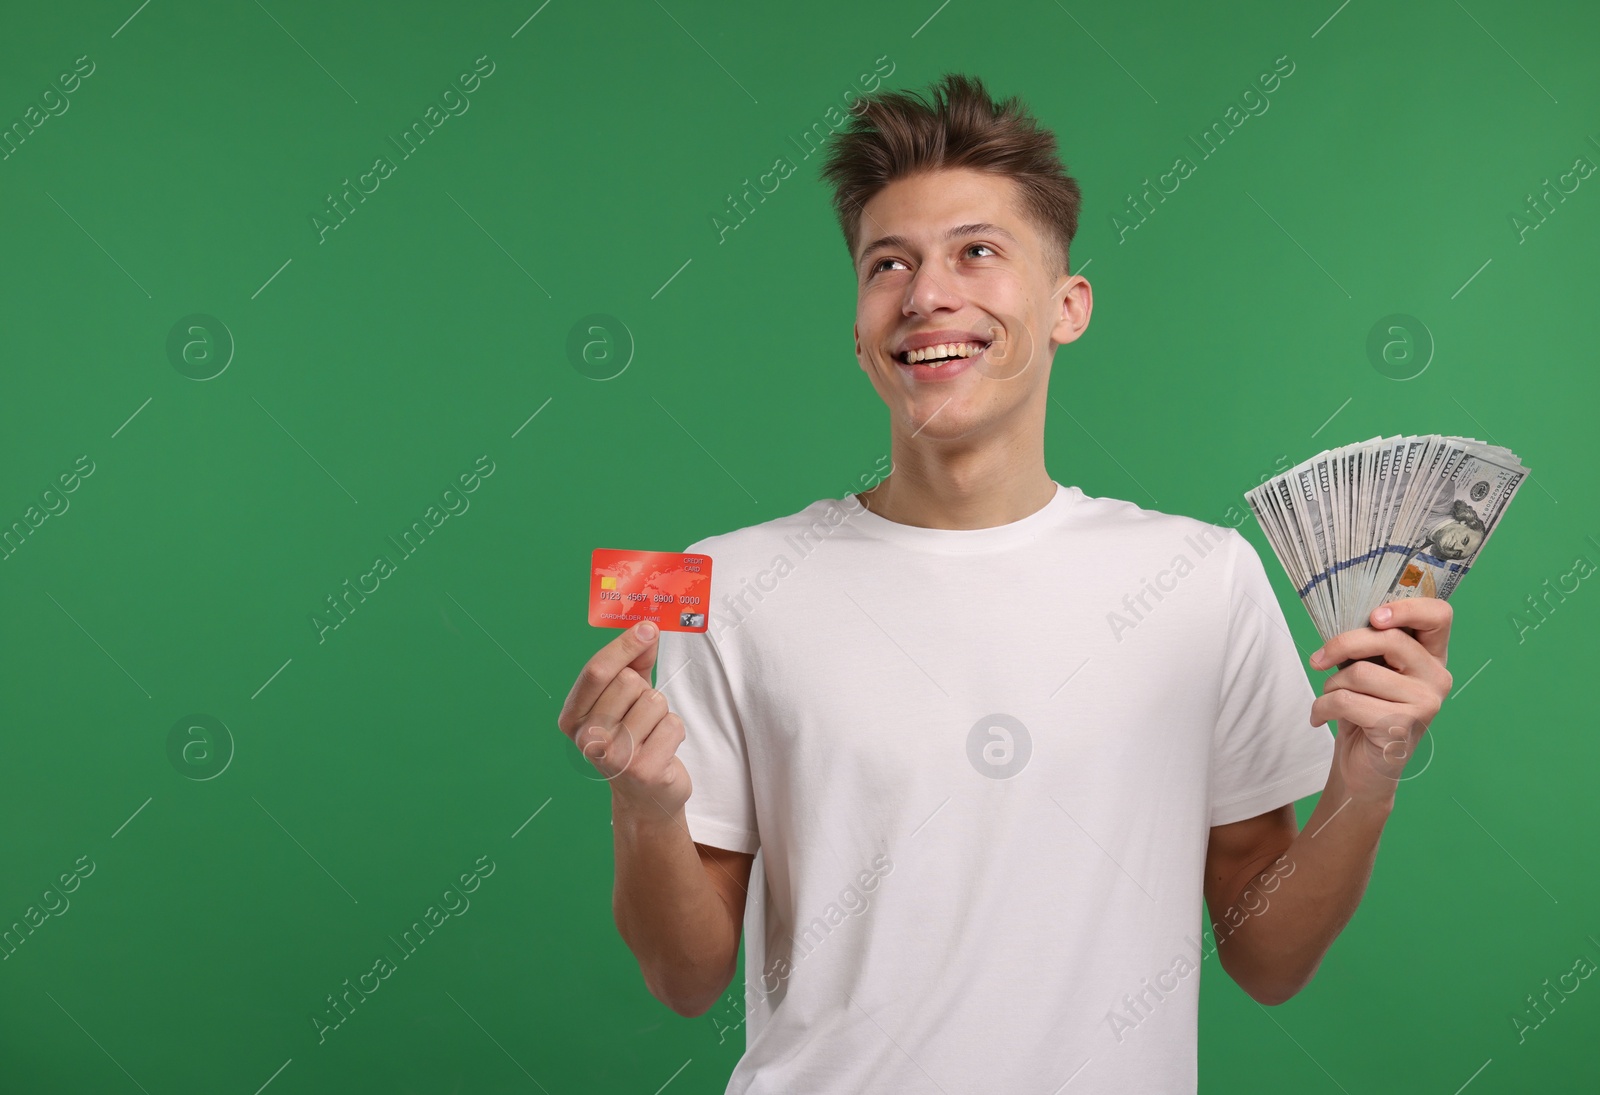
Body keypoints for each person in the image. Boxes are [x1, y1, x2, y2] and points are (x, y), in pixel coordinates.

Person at [556, 73, 1455, 1094]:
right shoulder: (733, 583)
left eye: (976, 252)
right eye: (886, 264)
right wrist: (642, 804)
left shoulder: (1198, 580)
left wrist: (1368, 774)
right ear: (859, 332)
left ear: (1067, 305)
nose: (927, 293)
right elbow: (682, 979)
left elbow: (1269, 960)